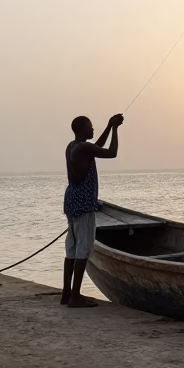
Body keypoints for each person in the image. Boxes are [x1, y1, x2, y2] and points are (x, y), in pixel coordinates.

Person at [61, 113, 123, 307]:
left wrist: (108, 125)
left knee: (71, 248)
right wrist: (114, 129)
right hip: (84, 203)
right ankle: (75, 296)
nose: (93, 129)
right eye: (90, 126)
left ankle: (67, 293)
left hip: (71, 201)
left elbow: (96, 148)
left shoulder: (73, 146)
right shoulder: (84, 148)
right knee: (83, 249)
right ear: (81, 130)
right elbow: (111, 152)